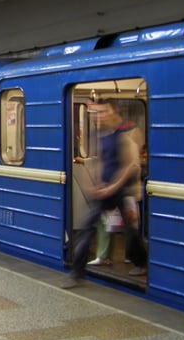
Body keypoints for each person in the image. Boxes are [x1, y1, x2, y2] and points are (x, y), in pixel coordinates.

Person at [63, 99, 148, 289]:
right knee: (87, 228)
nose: (101, 116)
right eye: (98, 113)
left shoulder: (128, 132)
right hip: (106, 190)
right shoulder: (103, 134)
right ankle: (77, 272)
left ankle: (141, 262)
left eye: (104, 112)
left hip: (125, 191)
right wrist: (96, 184)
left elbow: (132, 165)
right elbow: (102, 160)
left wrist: (112, 186)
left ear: (114, 111)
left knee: (131, 232)